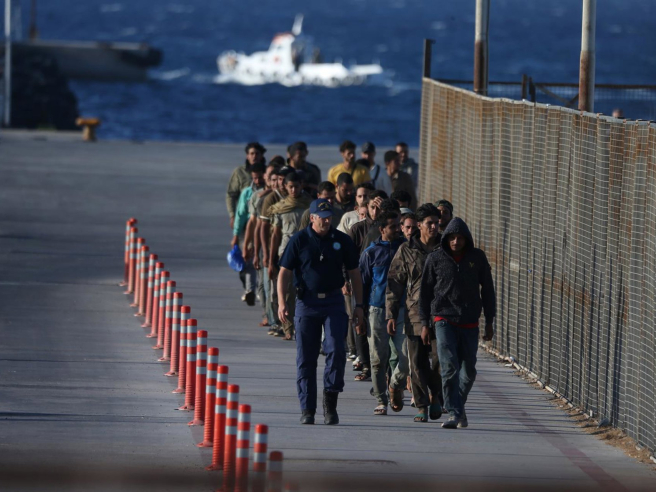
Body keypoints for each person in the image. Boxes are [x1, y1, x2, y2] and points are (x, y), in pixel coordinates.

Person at [278, 198, 364, 425]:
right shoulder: (299, 240)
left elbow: (355, 273)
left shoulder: (341, 240)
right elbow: (284, 272)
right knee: (306, 357)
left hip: (334, 302)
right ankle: (307, 408)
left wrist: (359, 305)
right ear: (312, 217)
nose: (326, 221)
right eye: (322, 217)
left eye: (329, 217)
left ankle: (330, 403)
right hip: (306, 303)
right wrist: (282, 302)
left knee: (336, 349)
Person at [419, 217, 496, 429]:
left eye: (459, 238)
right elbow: (425, 293)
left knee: (469, 371)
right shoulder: (435, 258)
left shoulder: (477, 258)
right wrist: (424, 323)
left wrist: (490, 320)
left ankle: (458, 406)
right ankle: (453, 412)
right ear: (446, 239)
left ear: (466, 239)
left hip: (469, 321)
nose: (455, 242)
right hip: (443, 318)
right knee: (449, 366)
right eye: (452, 238)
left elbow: (488, 290)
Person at [387, 204, 443, 423]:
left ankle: (436, 396)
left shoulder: (445, 248)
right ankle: (421, 405)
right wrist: (391, 314)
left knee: (439, 360)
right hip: (415, 313)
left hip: (441, 312)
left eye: (437, 223)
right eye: (430, 223)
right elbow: (395, 283)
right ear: (419, 225)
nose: (434, 227)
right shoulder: (406, 249)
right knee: (417, 362)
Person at [359, 210, 407, 415]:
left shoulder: (406, 249)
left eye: (399, 225)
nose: (398, 230)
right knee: (378, 358)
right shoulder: (371, 253)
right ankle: (381, 400)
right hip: (377, 311)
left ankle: (395, 385)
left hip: (402, 310)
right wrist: (359, 313)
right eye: (393, 226)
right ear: (381, 229)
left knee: (406, 358)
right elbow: (362, 284)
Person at [268, 172, 313, 340]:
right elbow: (275, 234)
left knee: (303, 288)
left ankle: (303, 323)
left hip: (305, 252)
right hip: (285, 252)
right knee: (287, 290)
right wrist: (271, 259)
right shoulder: (280, 208)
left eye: (296, 186)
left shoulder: (309, 206)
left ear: (302, 186)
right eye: (291, 187)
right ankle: (288, 327)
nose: (294, 190)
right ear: (285, 187)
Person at [231, 162, 266, 305]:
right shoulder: (247, 192)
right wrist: (236, 234)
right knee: (248, 261)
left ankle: (258, 290)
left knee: (260, 261)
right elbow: (240, 214)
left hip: (263, 229)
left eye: (260, 178)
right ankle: (250, 290)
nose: (257, 181)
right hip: (248, 230)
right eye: (254, 178)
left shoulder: (269, 192)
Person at [226, 142, 266, 229]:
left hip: (263, 217)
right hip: (245, 217)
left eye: (257, 153)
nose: (254, 156)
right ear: (247, 156)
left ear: (261, 156)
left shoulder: (267, 172)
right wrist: (232, 215)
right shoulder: (239, 172)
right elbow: (231, 195)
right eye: (252, 153)